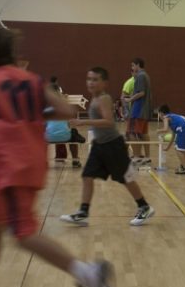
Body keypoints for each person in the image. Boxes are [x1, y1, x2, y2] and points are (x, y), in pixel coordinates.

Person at [0, 27, 114, 287]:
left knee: (23, 233)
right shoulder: (31, 80)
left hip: (11, 167)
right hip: (33, 163)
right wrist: (28, 114)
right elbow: (66, 111)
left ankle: (87, 273)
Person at [60, 67, 155, 227]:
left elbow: (109, 122)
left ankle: (144, 206)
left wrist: (82, 122)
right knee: (87, 175)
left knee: (125, 178)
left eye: (95, 79)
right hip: (99, 145)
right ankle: (83, 212)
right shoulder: (95, 98)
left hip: (112, 145)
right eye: (89, 79)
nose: (91, 82)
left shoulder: (104, 98)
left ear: (105, 83)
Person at [126, 58, 153, 166]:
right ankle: (147, 157)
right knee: (143, 133)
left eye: (133, 65)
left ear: (138, 65)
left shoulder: (140, 76)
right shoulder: (146, 75)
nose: (132, 68)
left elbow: (141, 93)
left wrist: (130, 99)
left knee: (131, 132)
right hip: (144, 110)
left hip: (138, 110)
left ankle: (136, 157)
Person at [157, 104, 185, 174]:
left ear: (161, 113)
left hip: (184, 129)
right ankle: (184, 165)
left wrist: (158, 131)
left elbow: (165, 129)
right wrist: (167, 148)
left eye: (158, 114)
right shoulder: (173, 117)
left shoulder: (165, 117)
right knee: (182, 149)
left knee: (178, 149)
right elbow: (173, 136)